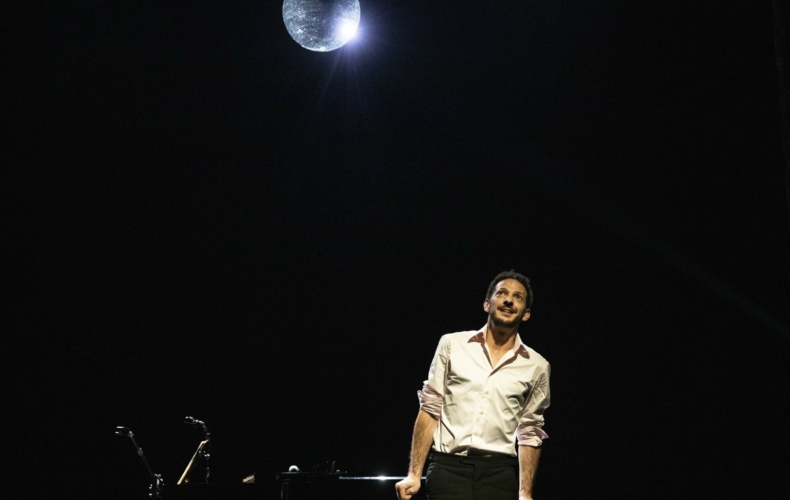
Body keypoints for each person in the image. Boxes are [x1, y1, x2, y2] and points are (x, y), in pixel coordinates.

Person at [395, 270, 550, 500]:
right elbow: (430, 409)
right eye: (502, 293)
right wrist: (414, 474)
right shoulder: (452, 344)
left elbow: (530, 431)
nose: (508, 300)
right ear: (487, 304)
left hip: (499, 474)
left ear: (526, 314)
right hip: (448, 469)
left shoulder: (537, 365)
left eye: (518, 297)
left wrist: (525, 493)